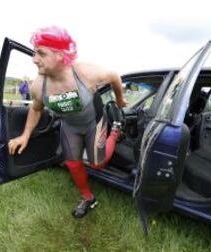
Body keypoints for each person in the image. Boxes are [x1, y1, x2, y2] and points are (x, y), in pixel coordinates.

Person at [8, 26, 127, 218]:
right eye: (34, 52)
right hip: (70, 127)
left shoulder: (87, 73)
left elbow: (114, 76)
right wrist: (25, 135)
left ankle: (115, 133)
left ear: (60, 55)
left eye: (41, 53)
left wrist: (120, 99)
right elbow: (36, 109)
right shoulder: (38, 85)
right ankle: (88, 197)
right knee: (73, 164)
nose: (34, 59)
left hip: (93, 123)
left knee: (98, 164)